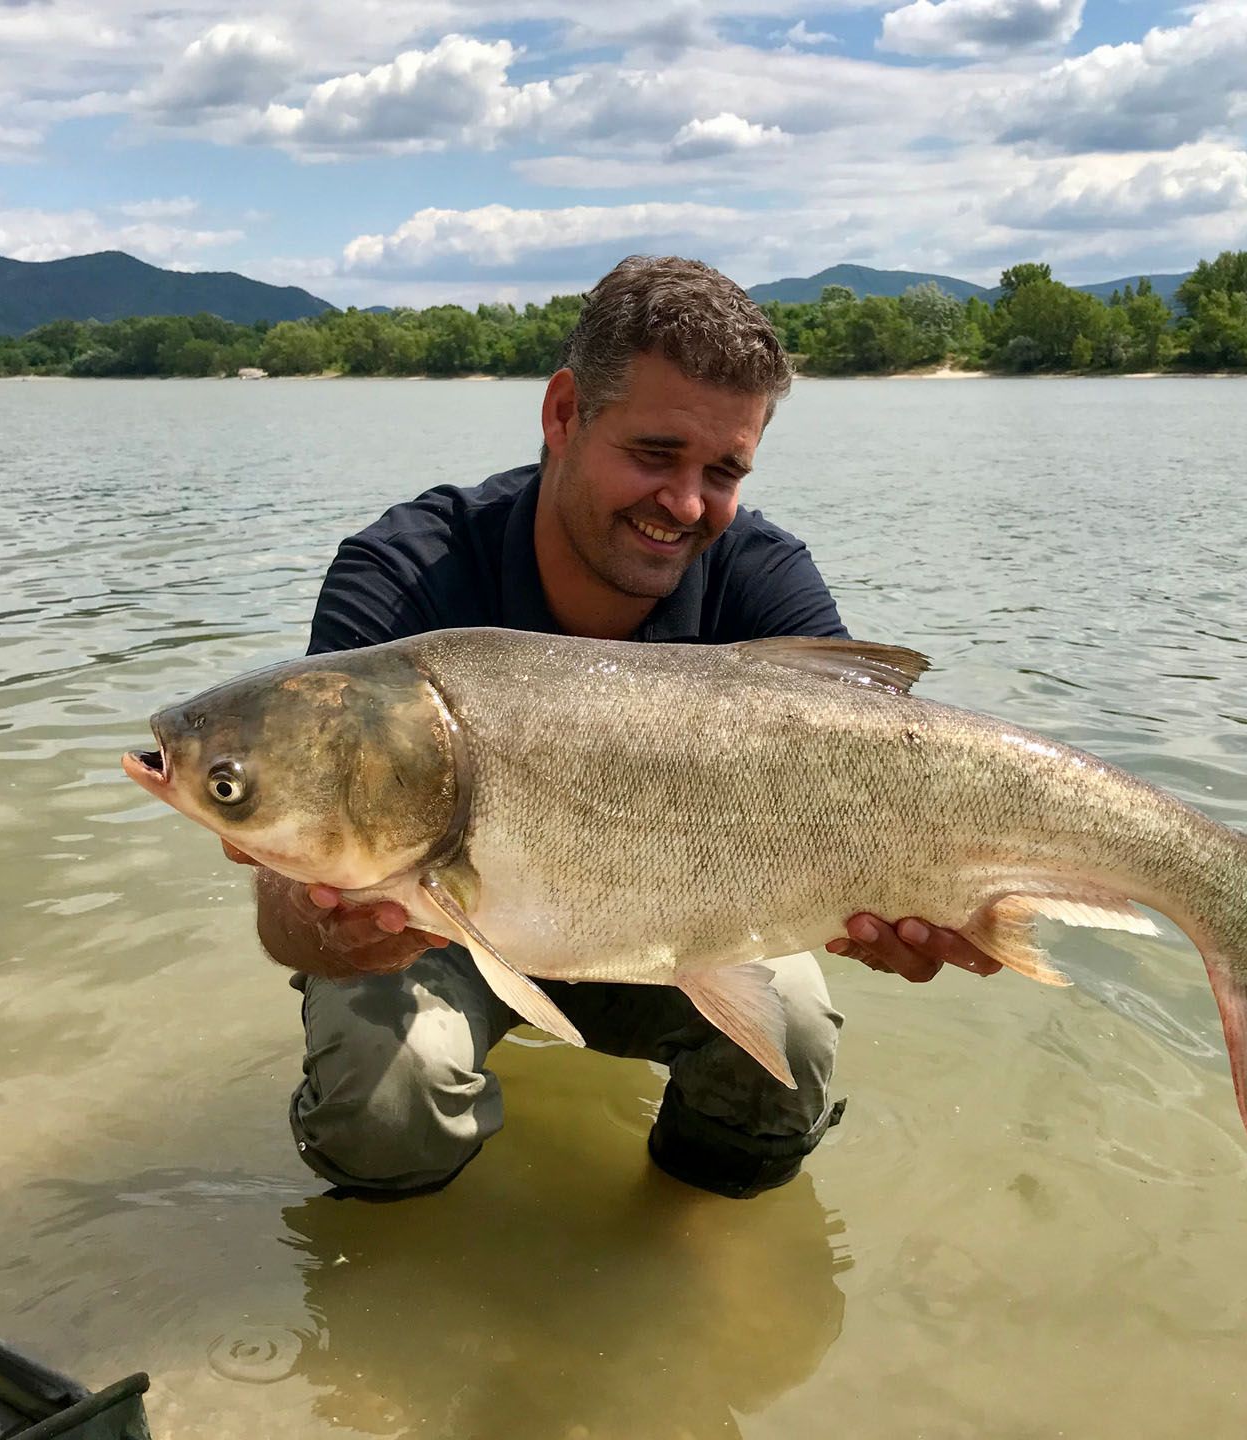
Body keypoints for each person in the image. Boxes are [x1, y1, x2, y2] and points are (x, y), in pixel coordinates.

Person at [235, 255, 1002, 1202]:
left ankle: (680, 1239)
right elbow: (284, 914)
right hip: (448, 934)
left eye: (723, 470)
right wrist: (333, 931)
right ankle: (401, 1288)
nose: (685, 504)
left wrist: (921, 908)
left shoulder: (763, 583)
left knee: (789, 1052)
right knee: (388, 1099)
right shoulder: (402, 579)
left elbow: (880, 785)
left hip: (684, 919)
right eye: (654, 454)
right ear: (563, 415)